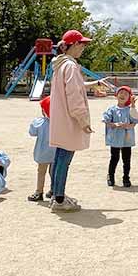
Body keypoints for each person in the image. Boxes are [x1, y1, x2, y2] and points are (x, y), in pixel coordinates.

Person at [48, 29, 96, 212]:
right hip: (70, 119)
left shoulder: (60, 65)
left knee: (59, 157)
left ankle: (55, 194)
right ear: (74, 45)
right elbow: (74, 95)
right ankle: (59, 199)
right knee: (64, 160)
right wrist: (83, 120)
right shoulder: (71, 66)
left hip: (61, 119)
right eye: (82, 44)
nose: (83, 47)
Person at [103, 86, 138, 187]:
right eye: (121, 92)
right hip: (115, 138)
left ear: (129, 97)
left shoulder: (130, 110)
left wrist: (128, 125)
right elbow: (106, 121)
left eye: (126, 93)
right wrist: (115, 124)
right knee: (114, 158)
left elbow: (135, 121)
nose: (123, 95)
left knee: (126, 159)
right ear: (116, 95)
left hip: (126, 138)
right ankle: (110, 176)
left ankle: (126, 177)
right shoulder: (112, 109)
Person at [28, 96, 55, 202]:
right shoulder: (59, 123)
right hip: (56, 152)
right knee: (54, 173)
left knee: (41, 172)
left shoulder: (39, 122)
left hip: (42, 152)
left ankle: (39, 192)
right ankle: (54, 190)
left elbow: (32, 132)